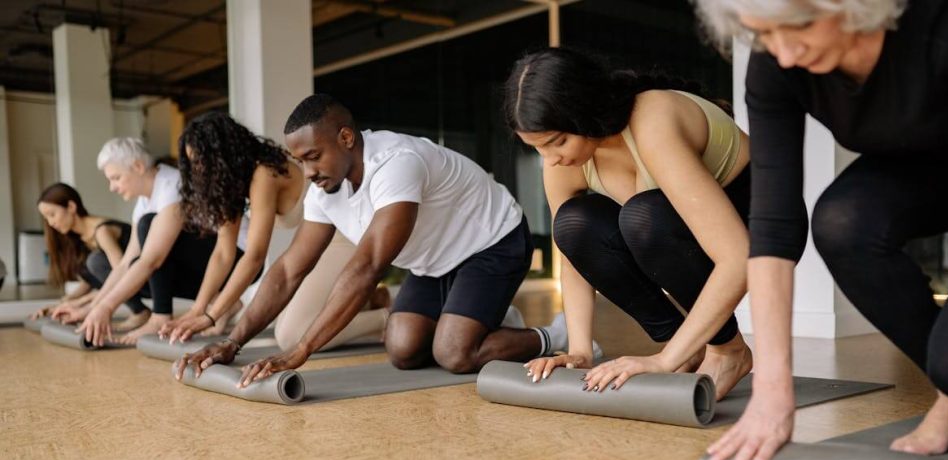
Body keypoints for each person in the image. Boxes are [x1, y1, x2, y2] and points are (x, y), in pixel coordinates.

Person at [696, 0, 948, 460]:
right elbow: (774, 228)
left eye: (799, 25)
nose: (783, 50)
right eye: (763, 33)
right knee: (844, 221)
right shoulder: (778, 61)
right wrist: (774, 397)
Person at [177, 94, 568, 385]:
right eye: (302, 162)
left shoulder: (395, 164)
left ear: (346, 137)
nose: (308, 172)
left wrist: (300, 351)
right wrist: (234, 342)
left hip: (492, 242)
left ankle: (552, 335)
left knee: (455, 353)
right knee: (402, 349)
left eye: (314, 155)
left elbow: (366, 269)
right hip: (434, 261)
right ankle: (485, 319)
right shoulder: (324, 189)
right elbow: (288, 270)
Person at [506, 47, 753, 400]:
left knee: (644, 217)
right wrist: (579, 350)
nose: (551, 159)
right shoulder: (563, 161)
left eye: (557, 142)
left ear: (586, 112)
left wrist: (664, 362)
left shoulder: (653, 119)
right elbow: (574, 253)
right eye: (537, 149)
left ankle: (728, 352)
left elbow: (737, 257)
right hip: (685, 231)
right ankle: (688, 345)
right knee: (574, 222)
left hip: (758, 220)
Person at [157, 112, 391, 350]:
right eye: (193, 162)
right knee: (281, 319)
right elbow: (223, 253)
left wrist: (211, 316)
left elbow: (255, 256)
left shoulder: (265, 173)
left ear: (223, 154)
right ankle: (370, 301)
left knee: (291, 335)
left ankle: (386, 318)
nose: (198, 170)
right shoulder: (234, 185)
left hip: (345, 236)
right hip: (318, 242)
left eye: (201, 161)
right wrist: (197, 310)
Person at [59, 138, 243, 346]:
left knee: (148, 230)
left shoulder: (172, 184)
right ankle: (224, 301)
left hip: (235, 258)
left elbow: (152, 261)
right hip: (210, 260)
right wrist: (93, 309)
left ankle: (160, 316)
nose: (113, 187)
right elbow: (124, 264)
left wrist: (107, 307)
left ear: (138, 166)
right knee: (132, 265)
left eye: (116, 178)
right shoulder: (144, 201)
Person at [31, 182, 150, 329]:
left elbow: (121, 273)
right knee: (90, 263)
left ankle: (140, 312)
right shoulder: (78, 238)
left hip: (147, 278)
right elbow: (90, 281)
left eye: (52, 214)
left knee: (96, 261)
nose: (51, 223)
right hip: (128, 280)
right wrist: (62, 304)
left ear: (71, 207)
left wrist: (83, 304)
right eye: (46, 218)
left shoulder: (102, 231)